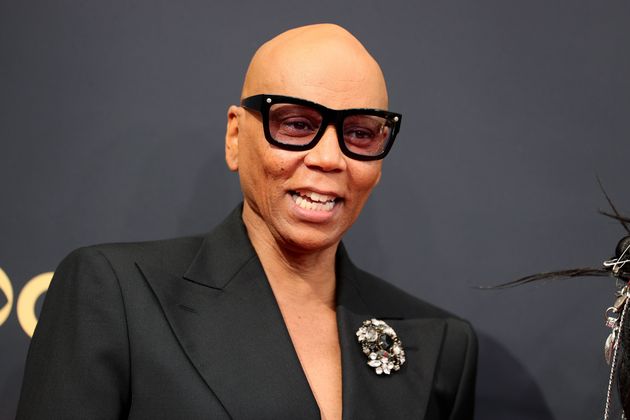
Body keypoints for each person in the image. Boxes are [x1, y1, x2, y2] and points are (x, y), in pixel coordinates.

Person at [17, 24, 477, 419]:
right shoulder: (117, 296)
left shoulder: (437, 344)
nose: (329, 158)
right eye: (296, 124)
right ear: (236, 136)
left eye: (359, 133)